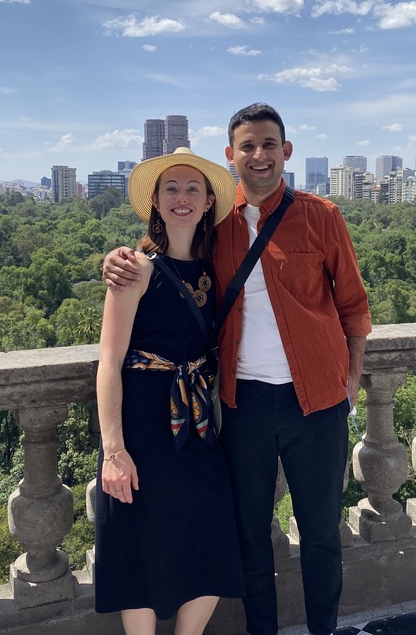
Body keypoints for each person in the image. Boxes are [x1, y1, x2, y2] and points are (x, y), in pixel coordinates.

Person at [104, 103, 372, 635]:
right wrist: (116, 258)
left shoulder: (322, 216)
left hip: (315, 401)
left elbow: (354, 308)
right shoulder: (217, 227)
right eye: (247, 146)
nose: (259, 155)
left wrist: (352, 379)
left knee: (320, 532)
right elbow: (165, 264)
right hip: (241, 402)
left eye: (268, 144)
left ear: (285, 151)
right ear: (231, 158)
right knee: (249, 533)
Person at [94, 147, 244, 635]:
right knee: (138, 534)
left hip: (196, 419)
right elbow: (109, 364)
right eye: (171, 188)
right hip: (143, 420)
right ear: (155, 201)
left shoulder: (215, 267)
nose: (182, 197)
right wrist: (114, 450)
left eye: (192, 189)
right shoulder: (134, 269)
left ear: (206, 203)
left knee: (215, 526)